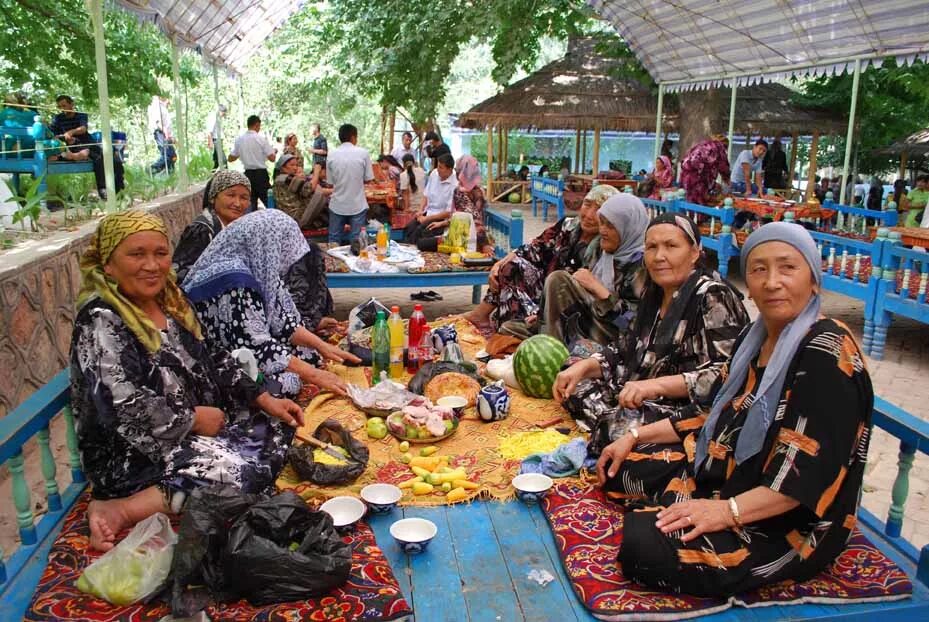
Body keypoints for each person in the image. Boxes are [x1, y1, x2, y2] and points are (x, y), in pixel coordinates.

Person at [600, 222, 873, 597]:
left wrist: (725, 512)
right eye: (759, 269)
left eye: (788, 268)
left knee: (644, 548)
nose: (772, 282)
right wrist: (635, 435)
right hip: (728, 471)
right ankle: (686, 499)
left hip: (784, 516)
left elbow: (805, 479)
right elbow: (715, 413)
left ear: (813, 279)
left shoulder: (825, 352)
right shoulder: (755, 336)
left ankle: (689, 511)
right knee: (617, 463)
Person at [70, 211, 304, 551]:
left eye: (160, 253)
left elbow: (215, 355)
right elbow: (122, 405)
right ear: (108, 264)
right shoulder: (100, 321)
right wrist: (193, 420)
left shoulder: (171, 304)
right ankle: (121, 507)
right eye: (136, 254)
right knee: (243, 475)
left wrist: (265, 398)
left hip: (189, 431)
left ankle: (198, 471)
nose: (152, 265)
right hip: (131, 452)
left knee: (277, 429)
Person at [552, 213, 749, 436]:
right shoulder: (653, 294)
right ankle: (615, 425)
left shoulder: (712, 296)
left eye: (671, 246)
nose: (659, 256)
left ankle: (619, 429)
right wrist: (584, 367)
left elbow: (726, 375)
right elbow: (623, 351)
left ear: (694, 253)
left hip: (688, 408)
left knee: (619, 425)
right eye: (651, 247)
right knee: (573, 377)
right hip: (639, 396)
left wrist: (655, 386)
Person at [183, 210, 358, 398]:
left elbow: (286, 324)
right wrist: (316, 375)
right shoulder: (232, 280)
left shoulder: (262, 266)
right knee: (289, 383)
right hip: (225, 361)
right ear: (268, 244)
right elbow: (256, 346)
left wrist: (324, 348)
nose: (283, 260)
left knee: (309, 354)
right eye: (282, 250)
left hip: (253, 347)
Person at [464, 185, 619, 331]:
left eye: (599, 209)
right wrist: (505, 260)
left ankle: (522, 326)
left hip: (570, 302)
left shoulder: (608, 243)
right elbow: (537, 245)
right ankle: (496, 321)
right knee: (511, 266)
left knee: (520, 273)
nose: (589, 215)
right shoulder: (568, 225)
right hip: (543, 287)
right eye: (587, 204)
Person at [502, 193, 649, 345]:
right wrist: (546, 313)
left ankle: (553, 349)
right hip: (583, 320)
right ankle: (553, 339)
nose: (603, 230)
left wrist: (601, 292)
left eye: (611, 226)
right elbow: (578, 293)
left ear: (629, 228)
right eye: (602, 223)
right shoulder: (599, 250)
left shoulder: (640, 267)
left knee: (559, 279)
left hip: (611, 335)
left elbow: (632, 325)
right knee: (509, 328)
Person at [173, 170, 251, 284]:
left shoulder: (239, 227)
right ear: (213, 197)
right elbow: (183, 276)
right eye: (231, 195)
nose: (238, 203)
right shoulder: (202, 231)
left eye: (244, 197)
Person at [49, 94, 125, 200]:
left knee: (114, 160)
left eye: (64, 105)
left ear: (72, 104)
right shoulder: (58, 119)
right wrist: (64, 138)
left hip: (87, 142)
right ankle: (103, 190)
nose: (62, 109)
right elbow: (53, 135)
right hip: (73, 145)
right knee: (99, 159)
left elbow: (83, 129)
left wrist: (71, 132)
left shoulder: (81, 115)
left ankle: (119, 190)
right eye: (59, 107)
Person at [326, 123, 374, 244]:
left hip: (337, 204)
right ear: (353, 137)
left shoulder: (331, 154)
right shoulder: (363, 153)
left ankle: (332, 262)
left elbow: (330, 182)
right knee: (357, 241)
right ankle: (357, 262)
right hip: (357, 204)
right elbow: (368, 179)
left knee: (334, 240)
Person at [404, 153, 457, 244]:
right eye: (437, 166)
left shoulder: (455, 185)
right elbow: (426, 194)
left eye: (441, 167)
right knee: (409, 227)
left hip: (440, 218)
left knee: (420, 231)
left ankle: (414, 253)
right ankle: (407, 250)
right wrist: (420, 211)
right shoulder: (434, 173)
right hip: (428, 212)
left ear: (449, 169)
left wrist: (427, 218)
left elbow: (448, 213)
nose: (438, 170)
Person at [228, 115, 276, 210]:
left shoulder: (239, 140)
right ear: (257, 125)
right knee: (269, 201)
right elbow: (272, 158)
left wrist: (242, 153)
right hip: (261, 175)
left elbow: (230, 158)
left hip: (247, 175)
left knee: (250, 203)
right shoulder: (261, 139)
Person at [273, 153, 330, 229]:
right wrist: (316, 172)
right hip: (295, 218)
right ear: (283, 167)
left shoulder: (280, 178)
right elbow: (310, 188)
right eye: (292, 165)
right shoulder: (286, 179)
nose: (295, 168)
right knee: (319, 193)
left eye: (296, 165)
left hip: (291, 216)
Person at [680, 135, 730, 205]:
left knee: (689, 200)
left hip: (686, 175)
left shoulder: (702, 145)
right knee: (700, 202)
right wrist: (727, 184)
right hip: (696, 176)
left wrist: (714, 184)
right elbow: (724, 167)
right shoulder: (719, 147)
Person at [205, 104, 227, 170]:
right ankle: (225, 172)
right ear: (220, 111)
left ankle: (214, 172)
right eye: (223, 113)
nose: (223, 115)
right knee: (223, 159)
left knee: (216, 159)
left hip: (218, 139)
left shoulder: (218, 118)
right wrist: (210, 142)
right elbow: (209, 131)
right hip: (215, 139)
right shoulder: (213, 117)